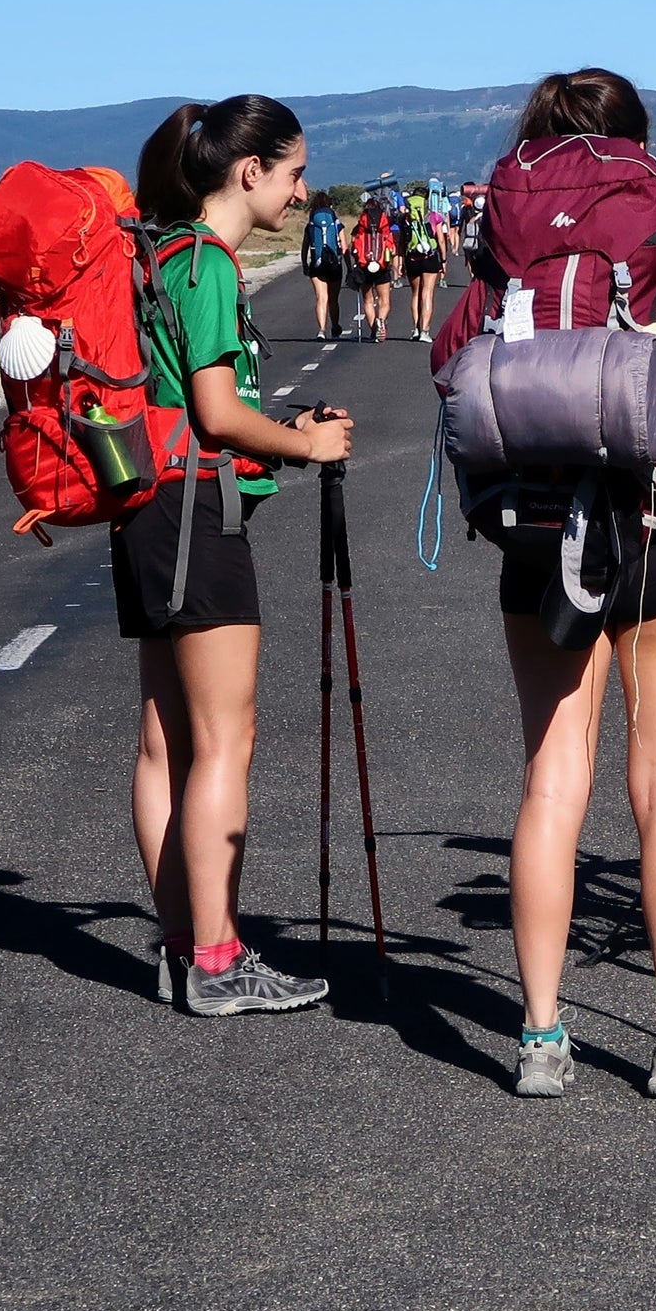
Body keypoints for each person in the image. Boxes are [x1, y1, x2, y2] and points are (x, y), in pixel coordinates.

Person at [430, 69, 656, 1101]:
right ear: (635, 157)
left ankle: (539, 1036)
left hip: (537, 534)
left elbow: (452, 365)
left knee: (550, 780)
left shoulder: (498, 261)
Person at [121, 95, 354, 1014]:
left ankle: (186, 945)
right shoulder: (211, 266)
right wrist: (307, 446)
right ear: (247, 170)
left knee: (163, 742)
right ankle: (217, 960)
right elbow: (217, 414)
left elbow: (192, 403)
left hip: (146, 509)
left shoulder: (158, 257)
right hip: (196, 519)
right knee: (225, 740)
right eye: (294, 173)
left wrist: (280, 427)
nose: (301, 193)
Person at [300, 195, 345, 340]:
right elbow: (344, 247)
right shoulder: (336, 223)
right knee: (333, 299)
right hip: (334, 264)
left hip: (316, 264)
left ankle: (321, 330)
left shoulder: (311, 224)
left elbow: (305, 247)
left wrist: (305, 265)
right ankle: (335, 327)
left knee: (321, 298)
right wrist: (350, 268)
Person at [351, 194, 394, 340]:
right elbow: (392, 248)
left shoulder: (359, 227)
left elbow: (354, 248)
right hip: (382, 266)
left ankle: (373, 330)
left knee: (368, 300)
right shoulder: (385, 227)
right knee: (384, 300)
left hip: (364, 266)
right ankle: (381, 320)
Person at [402, 185, 441, 339]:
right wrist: (443, 259)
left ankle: (416, 328)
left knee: (415, 294)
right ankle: (425, 330)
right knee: (427, 294)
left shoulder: (405, 218)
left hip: (412, 256)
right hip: (429, 256)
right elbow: (441, 240)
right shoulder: (433, 216)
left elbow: (401, 242)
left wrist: (399, 263)